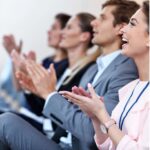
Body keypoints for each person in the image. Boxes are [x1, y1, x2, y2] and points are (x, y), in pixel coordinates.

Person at [0, 0, 139, 150]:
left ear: (120, 27)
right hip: (60, 139)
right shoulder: (95, 69)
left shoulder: (125, 71)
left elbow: (92, 134)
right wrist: (40, 91)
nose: (94, 23)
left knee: (5, 121)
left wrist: (49, 94)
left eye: (102, 18)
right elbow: (70, 114)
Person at [60, 1, 150, 149]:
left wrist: (103, 117)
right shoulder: (130, 88)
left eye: (132, 24)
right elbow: (108, 145)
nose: (123, 31)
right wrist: (95, 117)